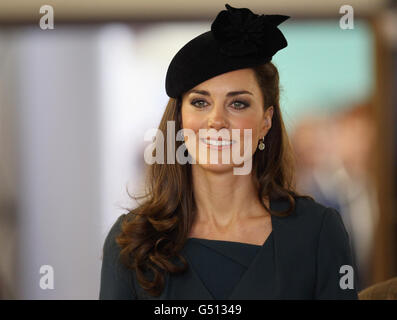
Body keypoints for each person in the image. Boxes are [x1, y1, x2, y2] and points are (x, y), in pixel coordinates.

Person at [99, 3, 358, 300]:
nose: (217, 121)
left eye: (238, 104)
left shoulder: (316, 232)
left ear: (266, 121)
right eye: (200, 102)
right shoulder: (132, 241)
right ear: (180, 120)